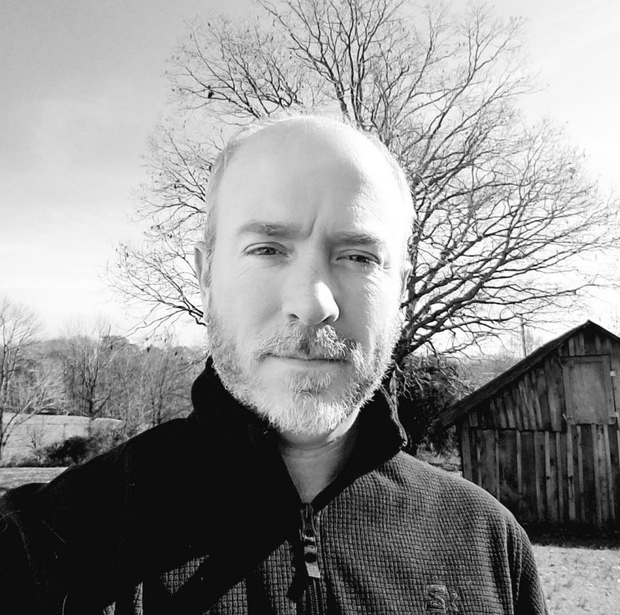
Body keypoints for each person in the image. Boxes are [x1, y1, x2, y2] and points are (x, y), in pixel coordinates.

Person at [0, 114, 548, 614]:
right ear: (206, 274)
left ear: (401, 290)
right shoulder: (42, 546)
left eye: (359, 257)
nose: (313, 304)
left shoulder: (486, 542)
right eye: (267, 248)